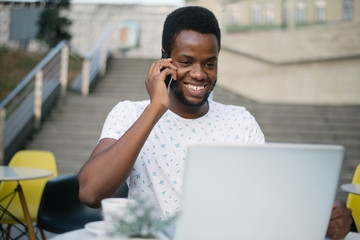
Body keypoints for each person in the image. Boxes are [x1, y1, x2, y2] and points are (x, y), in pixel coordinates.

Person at [78, 6, 354, 239]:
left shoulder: (240, 121)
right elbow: (91, 192)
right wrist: (155, 108)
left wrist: (325, 216)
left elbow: (269, 197)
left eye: (210, 63)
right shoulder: (129, 114)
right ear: (164, 58)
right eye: (186, 61)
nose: (199, 74)